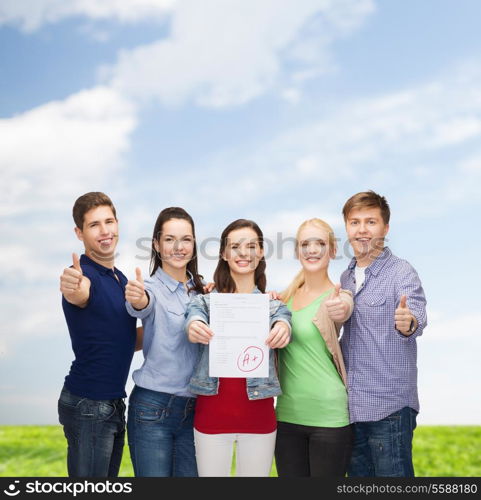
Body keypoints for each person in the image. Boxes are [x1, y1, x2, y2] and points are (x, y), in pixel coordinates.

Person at [185, 219, 292, 477]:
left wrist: (282, 329)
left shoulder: (274, 306)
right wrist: (195, 326)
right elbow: (193, 317)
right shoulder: (205, 302)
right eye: (235, 246)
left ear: (261, 252)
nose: (243, 253)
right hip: (211, 419)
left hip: (259, 420)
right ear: (224, 253)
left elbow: (284, 321)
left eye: (251, 246)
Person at [339, 190, 427, 477]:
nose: (362, 230)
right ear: (347, 228)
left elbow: (416, 316)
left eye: (371, 222)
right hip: (352, 408)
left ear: (385, 228)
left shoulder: (402, 273)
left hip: (389, 409)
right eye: (354, 222)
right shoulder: (345, 278)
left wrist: (408, 322)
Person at [58, 192, 139, 477]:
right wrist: (72, 285)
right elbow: (77, 292)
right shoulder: (82, 275)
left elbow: (125, 339)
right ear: (79, 232)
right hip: (89, 403)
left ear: (117, 224)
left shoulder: (121, 279)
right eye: (94, 225)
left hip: (113, 403)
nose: (105, 231)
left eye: (109, 221)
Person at [124, 207, 205, 477]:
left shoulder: (204, 292)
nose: (178, 247)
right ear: (157, 245)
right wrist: (137, 299)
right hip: (152, 409)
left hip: (195, 411)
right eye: (169, 239)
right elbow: (141, 304)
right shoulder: (149, 288)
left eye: (186, 239)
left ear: (194, 244)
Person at [274, 218, 354, 477]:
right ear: (298, 251)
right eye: (305, 244)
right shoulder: (283, 299)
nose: (312, 250)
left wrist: (341, 308)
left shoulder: (338, 296)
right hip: (286, 417)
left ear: (331, 250)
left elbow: (344, 308)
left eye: (319, 243)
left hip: (329, 418)